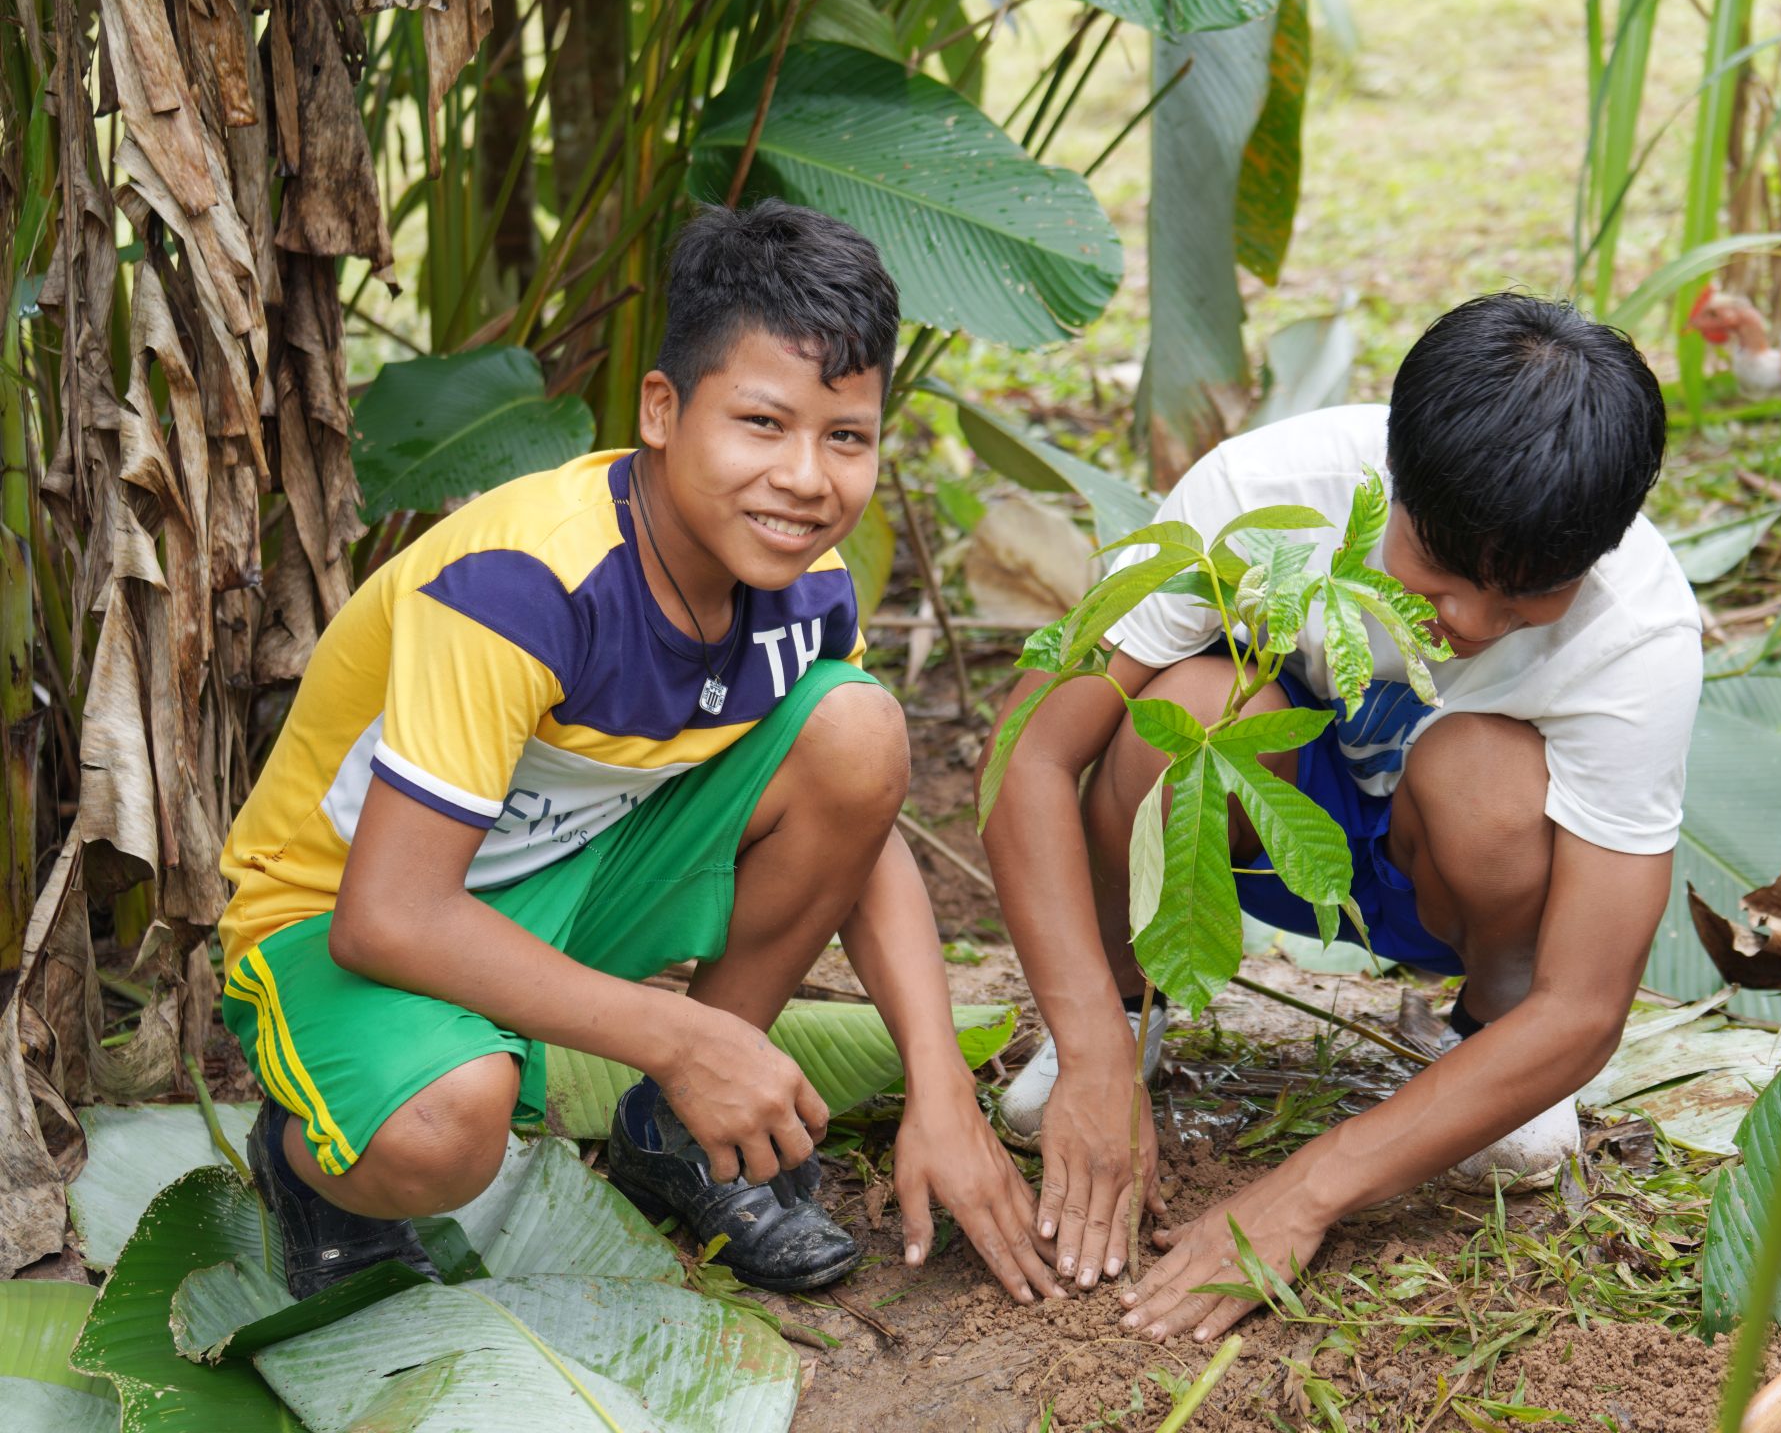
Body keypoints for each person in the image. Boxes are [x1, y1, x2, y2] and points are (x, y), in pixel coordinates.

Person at [219, 199, 1060, 1306]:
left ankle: (674, 1139)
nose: (808, 479)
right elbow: (392, 915)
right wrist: (677, 1031)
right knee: (441, 1128)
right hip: (344, 918)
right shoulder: (522, 584)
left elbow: (858, 825)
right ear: (662, 410)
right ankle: (313, 1178)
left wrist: (939, 1083)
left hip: (564, 880)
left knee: (856, 725)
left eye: (844, 437)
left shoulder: (802, 581)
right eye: (762, 423)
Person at [980, 293, 1701, 1342]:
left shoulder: (1640, 631)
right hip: (1276, 819)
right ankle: (1134, 1014)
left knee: (1487, 783)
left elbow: (1587, 1006)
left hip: (1447, 865)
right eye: (1443, 581)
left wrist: (1302, 1195)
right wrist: (1089, 1047)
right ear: (1395, 482)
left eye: (1525, 601)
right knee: (1175, 715)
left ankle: (1489, 1049)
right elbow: (1031, 754)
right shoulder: (1262, 496)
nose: (1466, 627)